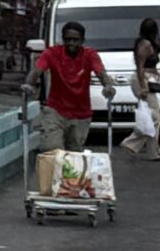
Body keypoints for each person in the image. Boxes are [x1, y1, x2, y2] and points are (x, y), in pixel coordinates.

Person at [32, 20, 110, 152]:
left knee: (74, 154)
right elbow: (37, 70)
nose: (71, 43)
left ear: (82, 40)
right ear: (63, 39)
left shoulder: (90, 55)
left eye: (75, 40)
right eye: (68, 39)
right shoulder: (52, 53)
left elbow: (100, 72)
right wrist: (29, 84)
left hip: (80, 114)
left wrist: (107, 85)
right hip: (56, 110)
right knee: (52, 149)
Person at [123, 18, 160, 162]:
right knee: (154, 118)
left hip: (148, 79)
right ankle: (132, 143)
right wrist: (143, 86)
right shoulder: (145, 45)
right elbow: (140, 66)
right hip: (143, 80)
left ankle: (154, 151)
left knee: (153, 117)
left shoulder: (146, 43)